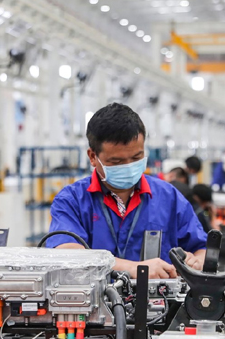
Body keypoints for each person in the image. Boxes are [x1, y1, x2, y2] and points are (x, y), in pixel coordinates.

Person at [46, 103, 207, 279]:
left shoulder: (169, 197)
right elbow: (68, 254)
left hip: (159, 304)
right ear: (93, 157)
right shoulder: (71, 201)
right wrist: (133, 269)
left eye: (136, 158)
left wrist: (197, 262)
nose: (129, 167)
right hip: (92, 303)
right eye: (116, 162)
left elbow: (202, 247)